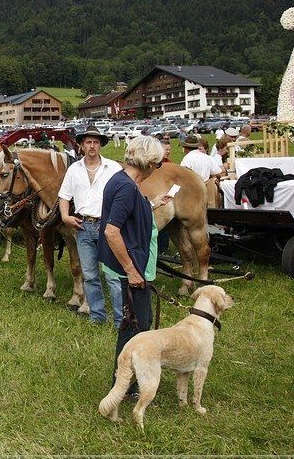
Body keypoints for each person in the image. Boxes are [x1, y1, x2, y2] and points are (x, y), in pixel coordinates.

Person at [98, 135, 172, 400]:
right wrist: (131, 271)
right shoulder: (127, 187)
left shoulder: (123, 181)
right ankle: (125, 385)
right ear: (149, 163)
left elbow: (128, 214)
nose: (157, 168)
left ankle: (127, 380)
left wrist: (151, 204)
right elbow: (111, 231)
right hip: (131, 269)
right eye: (158, 164)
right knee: (135, 327)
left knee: (139, 322)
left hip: (135, 266)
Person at [58, 126, 123, 326]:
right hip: (83, 226)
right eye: (88, 142)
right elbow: (64, 196)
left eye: (95, 142)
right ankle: (97, 316)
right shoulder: (74, 169)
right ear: (81, 145)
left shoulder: (113, 168)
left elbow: (125, 194)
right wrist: (65, 216)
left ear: (100, 145)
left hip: (107, 226)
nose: (92, 146)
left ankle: (121, 319)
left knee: (112, 276)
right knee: (89, 275)